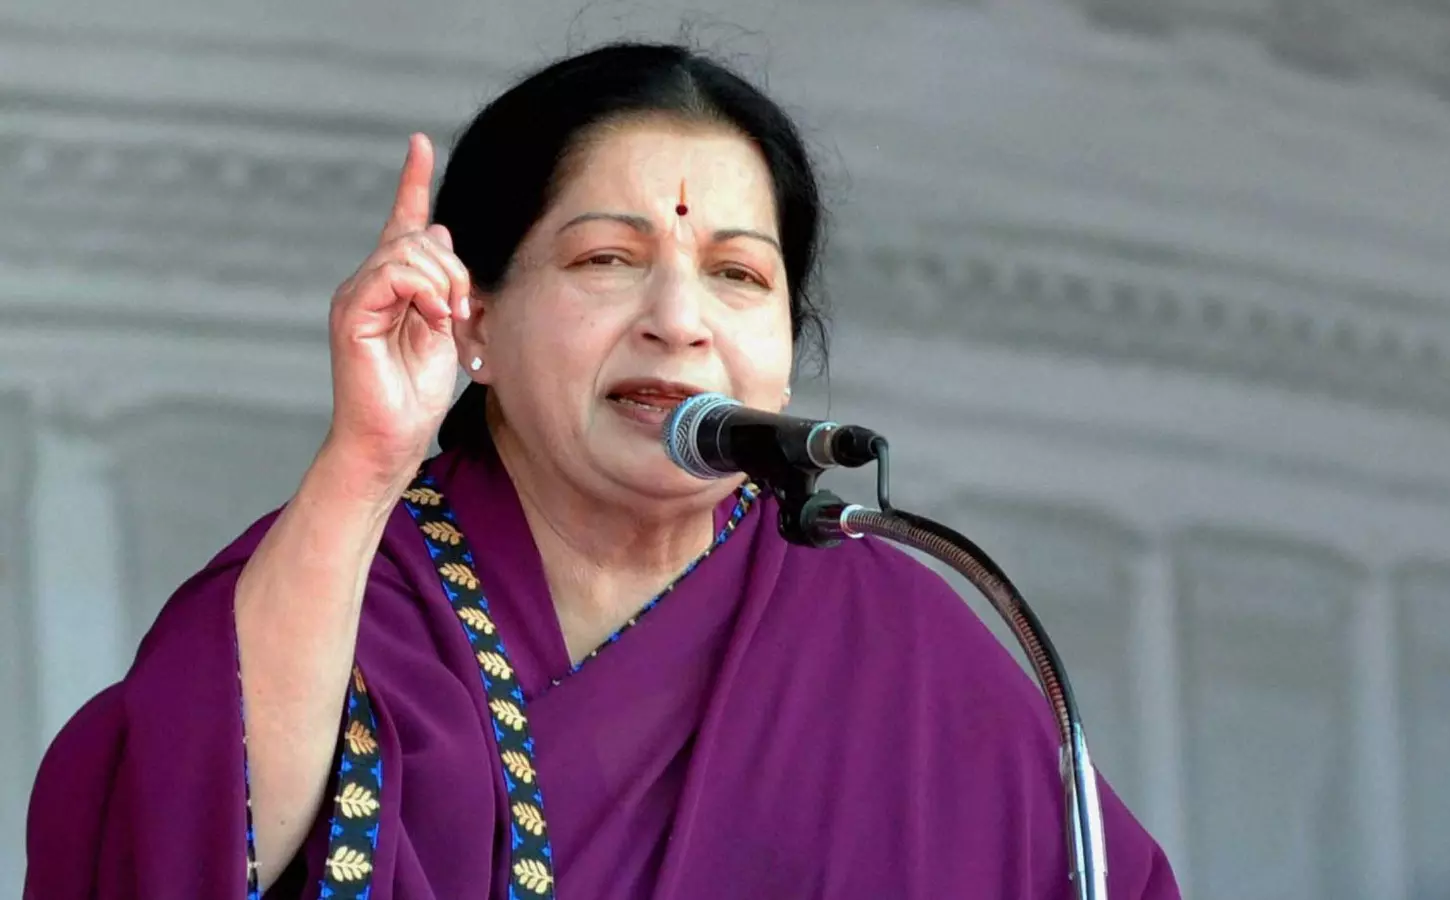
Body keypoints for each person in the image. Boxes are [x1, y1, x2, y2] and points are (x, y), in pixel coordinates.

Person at [24, 42, 1179, 900]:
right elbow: (180, 853)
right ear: (475, 318)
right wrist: (368, 460)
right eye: (608, 259)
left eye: (739, 275)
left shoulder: (904, 641)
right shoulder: (356, 588)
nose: (680, 319)